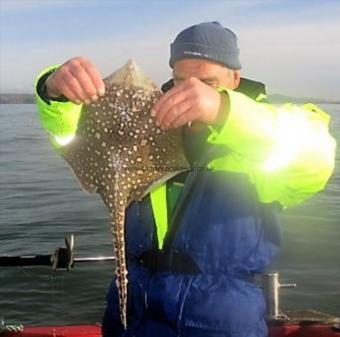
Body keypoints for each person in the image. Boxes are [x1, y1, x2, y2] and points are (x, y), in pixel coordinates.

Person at [35, 22, 336, 337]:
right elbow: (70, 139)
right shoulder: (149, 117)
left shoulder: (271, 130)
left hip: (217, 318)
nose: (190, 94)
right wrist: (54, 93)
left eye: (207, 83)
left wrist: (225, 111)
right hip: (132, 312)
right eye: (180, 81)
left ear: (235, 78)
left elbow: (314, 156)